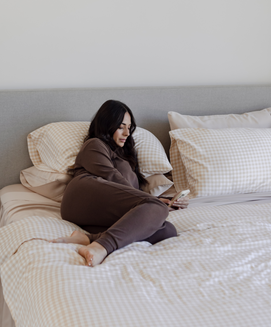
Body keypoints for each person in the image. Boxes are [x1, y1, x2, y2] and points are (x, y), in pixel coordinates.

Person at [52, 100, 188, 267]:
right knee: (156, 208)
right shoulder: (94, 145)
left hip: (101, 209)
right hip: (81, 196)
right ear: (106, 125)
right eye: (120, 127)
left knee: (167, 230)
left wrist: (164, 201)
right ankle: (101, 247)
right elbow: (112, 177)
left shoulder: (126, 157)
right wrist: (153, 203)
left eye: (129, 127)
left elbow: (129, 194)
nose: (126, 133)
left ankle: (89, 238)